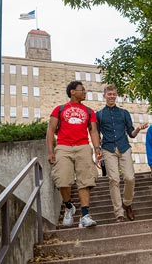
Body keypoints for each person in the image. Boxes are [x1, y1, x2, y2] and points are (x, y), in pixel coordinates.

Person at [46, 81, 102, 228]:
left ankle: (85, 215)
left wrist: (97, 148)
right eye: (81, 90)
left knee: (85, 180)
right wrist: (51, 151)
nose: (85, 92)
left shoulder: (89, 111)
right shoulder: (59, 109)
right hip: (63, 147)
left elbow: (94, 131)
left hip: (83, 146)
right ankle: (69, 206)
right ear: (72, 92)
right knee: (62, 180)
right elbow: (51, 130)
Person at [97, 84, 148, 222]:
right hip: (108, 149)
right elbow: (96, 133)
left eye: (114, 94)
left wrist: (138, 129)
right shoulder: (99, 115)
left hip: (124, 147)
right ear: (104, 96)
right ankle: (119, 213)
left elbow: (131, 134)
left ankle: (127, 203)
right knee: (114, 180)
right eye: (109, 94)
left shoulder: (124, 113)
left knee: (130, 178)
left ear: (116, 95)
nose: (112, 96)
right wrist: (98, 149)